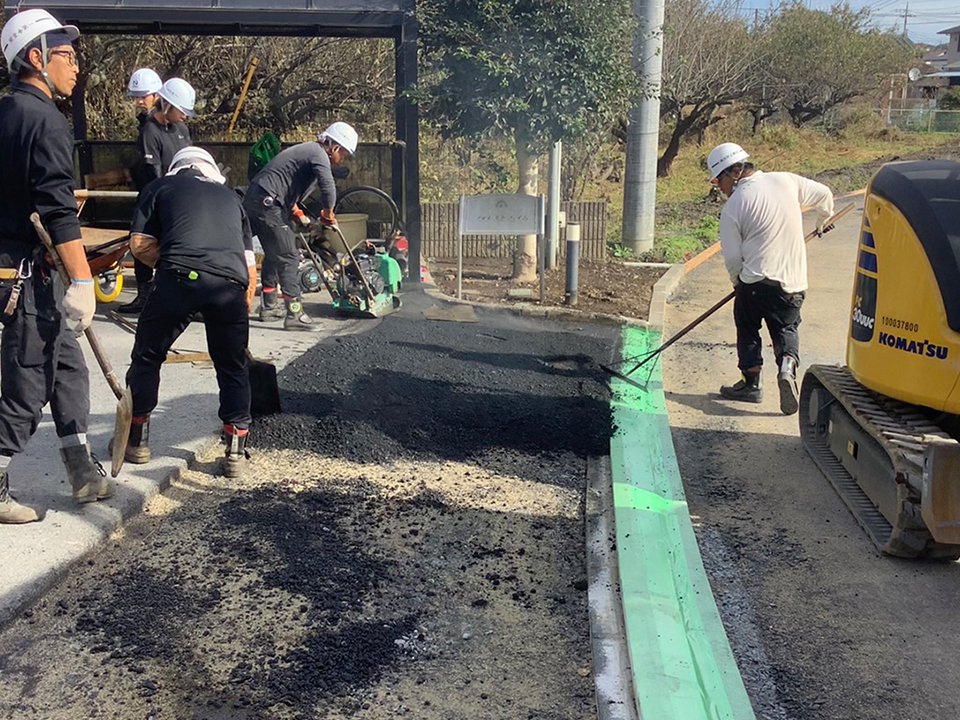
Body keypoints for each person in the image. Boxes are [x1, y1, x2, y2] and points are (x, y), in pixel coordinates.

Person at [0, 9, 113, 523]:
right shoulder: (43, 117)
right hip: (23, 272)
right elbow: (56, 210)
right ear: (35, 58)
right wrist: (85, 279)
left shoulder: (7, 112)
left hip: (25, 264)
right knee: (27, 376)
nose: (74, 66)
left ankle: (81, 468)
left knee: (67, 366)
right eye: (65, 55)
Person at [123, 146, 256, 478]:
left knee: (148, 355)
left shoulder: (158, 188)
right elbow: (250, 265)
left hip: (180, 277)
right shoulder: (232, 199)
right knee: (232, 364)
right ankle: (235, 450)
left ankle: (138, 440)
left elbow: (138, 243)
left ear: (177, 170)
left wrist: (170, 263)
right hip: (230, 283)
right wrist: (241, 309)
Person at [708, 142, 834, 415]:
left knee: (747, 325)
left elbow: (732, 258)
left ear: (734, 173)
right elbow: (824, 194)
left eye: (719, 181)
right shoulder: (786, 180)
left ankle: (751, 384)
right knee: (786, 329)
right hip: (793, 282)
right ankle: (787, 366)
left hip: (755, 282)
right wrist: (822, 221)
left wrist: (737, 284)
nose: (719, 188)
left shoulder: (733, 207)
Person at [244, 121, 358, 330]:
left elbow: (287, 187)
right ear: (334, 147)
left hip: (259, 198)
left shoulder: (306, 151)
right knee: (288, 255)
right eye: (344, 154)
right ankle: (295, 315)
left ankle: (269, 307)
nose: (342, 159)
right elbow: (328, 187)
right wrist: (328, 214)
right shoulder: (318, 154)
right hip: (268, 203)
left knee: (275, 251)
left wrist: (298, 214)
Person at [119, 77, 195, 315]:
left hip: (180, 197)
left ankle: (180, 294)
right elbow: (154, 172)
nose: (184, 116)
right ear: (167, 105)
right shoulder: (150, 131)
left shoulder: (181, 130)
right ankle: (144, 294)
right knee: (145, 243)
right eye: (181, 111)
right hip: (156, 197)